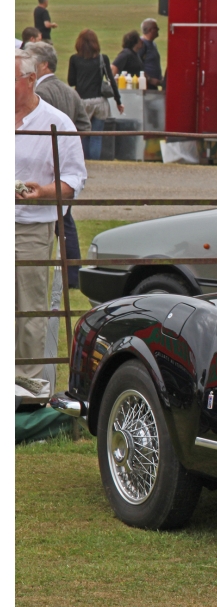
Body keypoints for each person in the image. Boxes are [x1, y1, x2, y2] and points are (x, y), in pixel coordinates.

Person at [15, 48, 87, 383]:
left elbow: (74, 180)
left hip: (30, 228)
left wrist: (42, 192)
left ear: (30, 80)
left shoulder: (56, 122)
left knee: (28, 308)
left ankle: (26, 385)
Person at [25, 40, 88, 288]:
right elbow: (84, 125)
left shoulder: (39, 95)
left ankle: (71, 276)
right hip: (62, 168)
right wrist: (73, 149)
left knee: (59, 222)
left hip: (44, 169)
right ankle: (73, 276)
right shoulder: (68, 90)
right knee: (66, 223)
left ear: (42, 65)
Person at [68, 28, 122, 159]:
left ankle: (85, 163)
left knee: (84, 136)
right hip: (99, 102)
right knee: (96, 137)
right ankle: (96, 163)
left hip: (82, 102)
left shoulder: (74, 59)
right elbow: (111, 81)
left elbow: (71, 81)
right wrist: (118, 101)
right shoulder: (103, 59)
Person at [137, 18, 162, 89]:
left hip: (153, 85)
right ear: (150, 30)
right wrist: (150, 80)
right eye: (156, 28)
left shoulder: (153, 44)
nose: (158, 29)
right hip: (146, 86)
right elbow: (136, 66)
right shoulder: (141, 45)